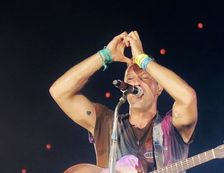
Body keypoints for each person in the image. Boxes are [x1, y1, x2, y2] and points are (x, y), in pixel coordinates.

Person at [49, 31, 198, 173]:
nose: (136, 84)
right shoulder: (107, 122)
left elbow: (188, 97)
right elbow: (59, 92)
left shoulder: (172, 128)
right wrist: (105, 55)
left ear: (159, 87)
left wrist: (142, 59)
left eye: (144, 78)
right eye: (130, 80)